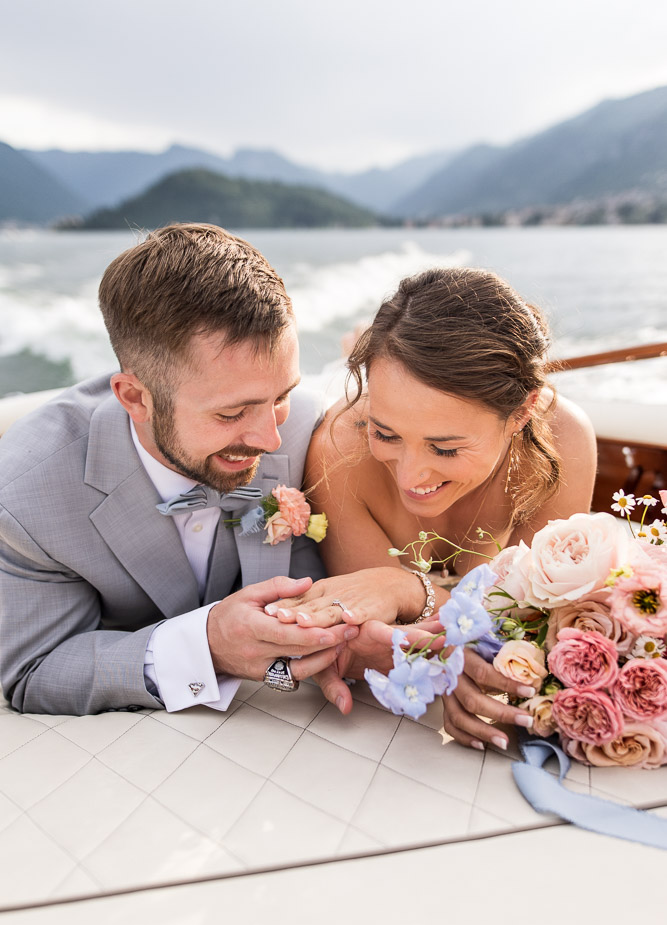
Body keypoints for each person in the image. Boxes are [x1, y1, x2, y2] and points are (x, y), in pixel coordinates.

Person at [0, 223, 356, 716]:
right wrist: (205, 646)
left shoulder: (306, 429)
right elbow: (35, 669)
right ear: (135, 397)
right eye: (231, 413)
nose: (271, 440)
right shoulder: (28, 495)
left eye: (281, 397)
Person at [268, 267, 597, 749]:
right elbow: (377, 633)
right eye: (386, 434)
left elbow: (539, 619)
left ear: (521, 413)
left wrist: (405, 585)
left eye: (444, 449)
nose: (409, 477)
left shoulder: (563, 440)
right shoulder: (341, 446)